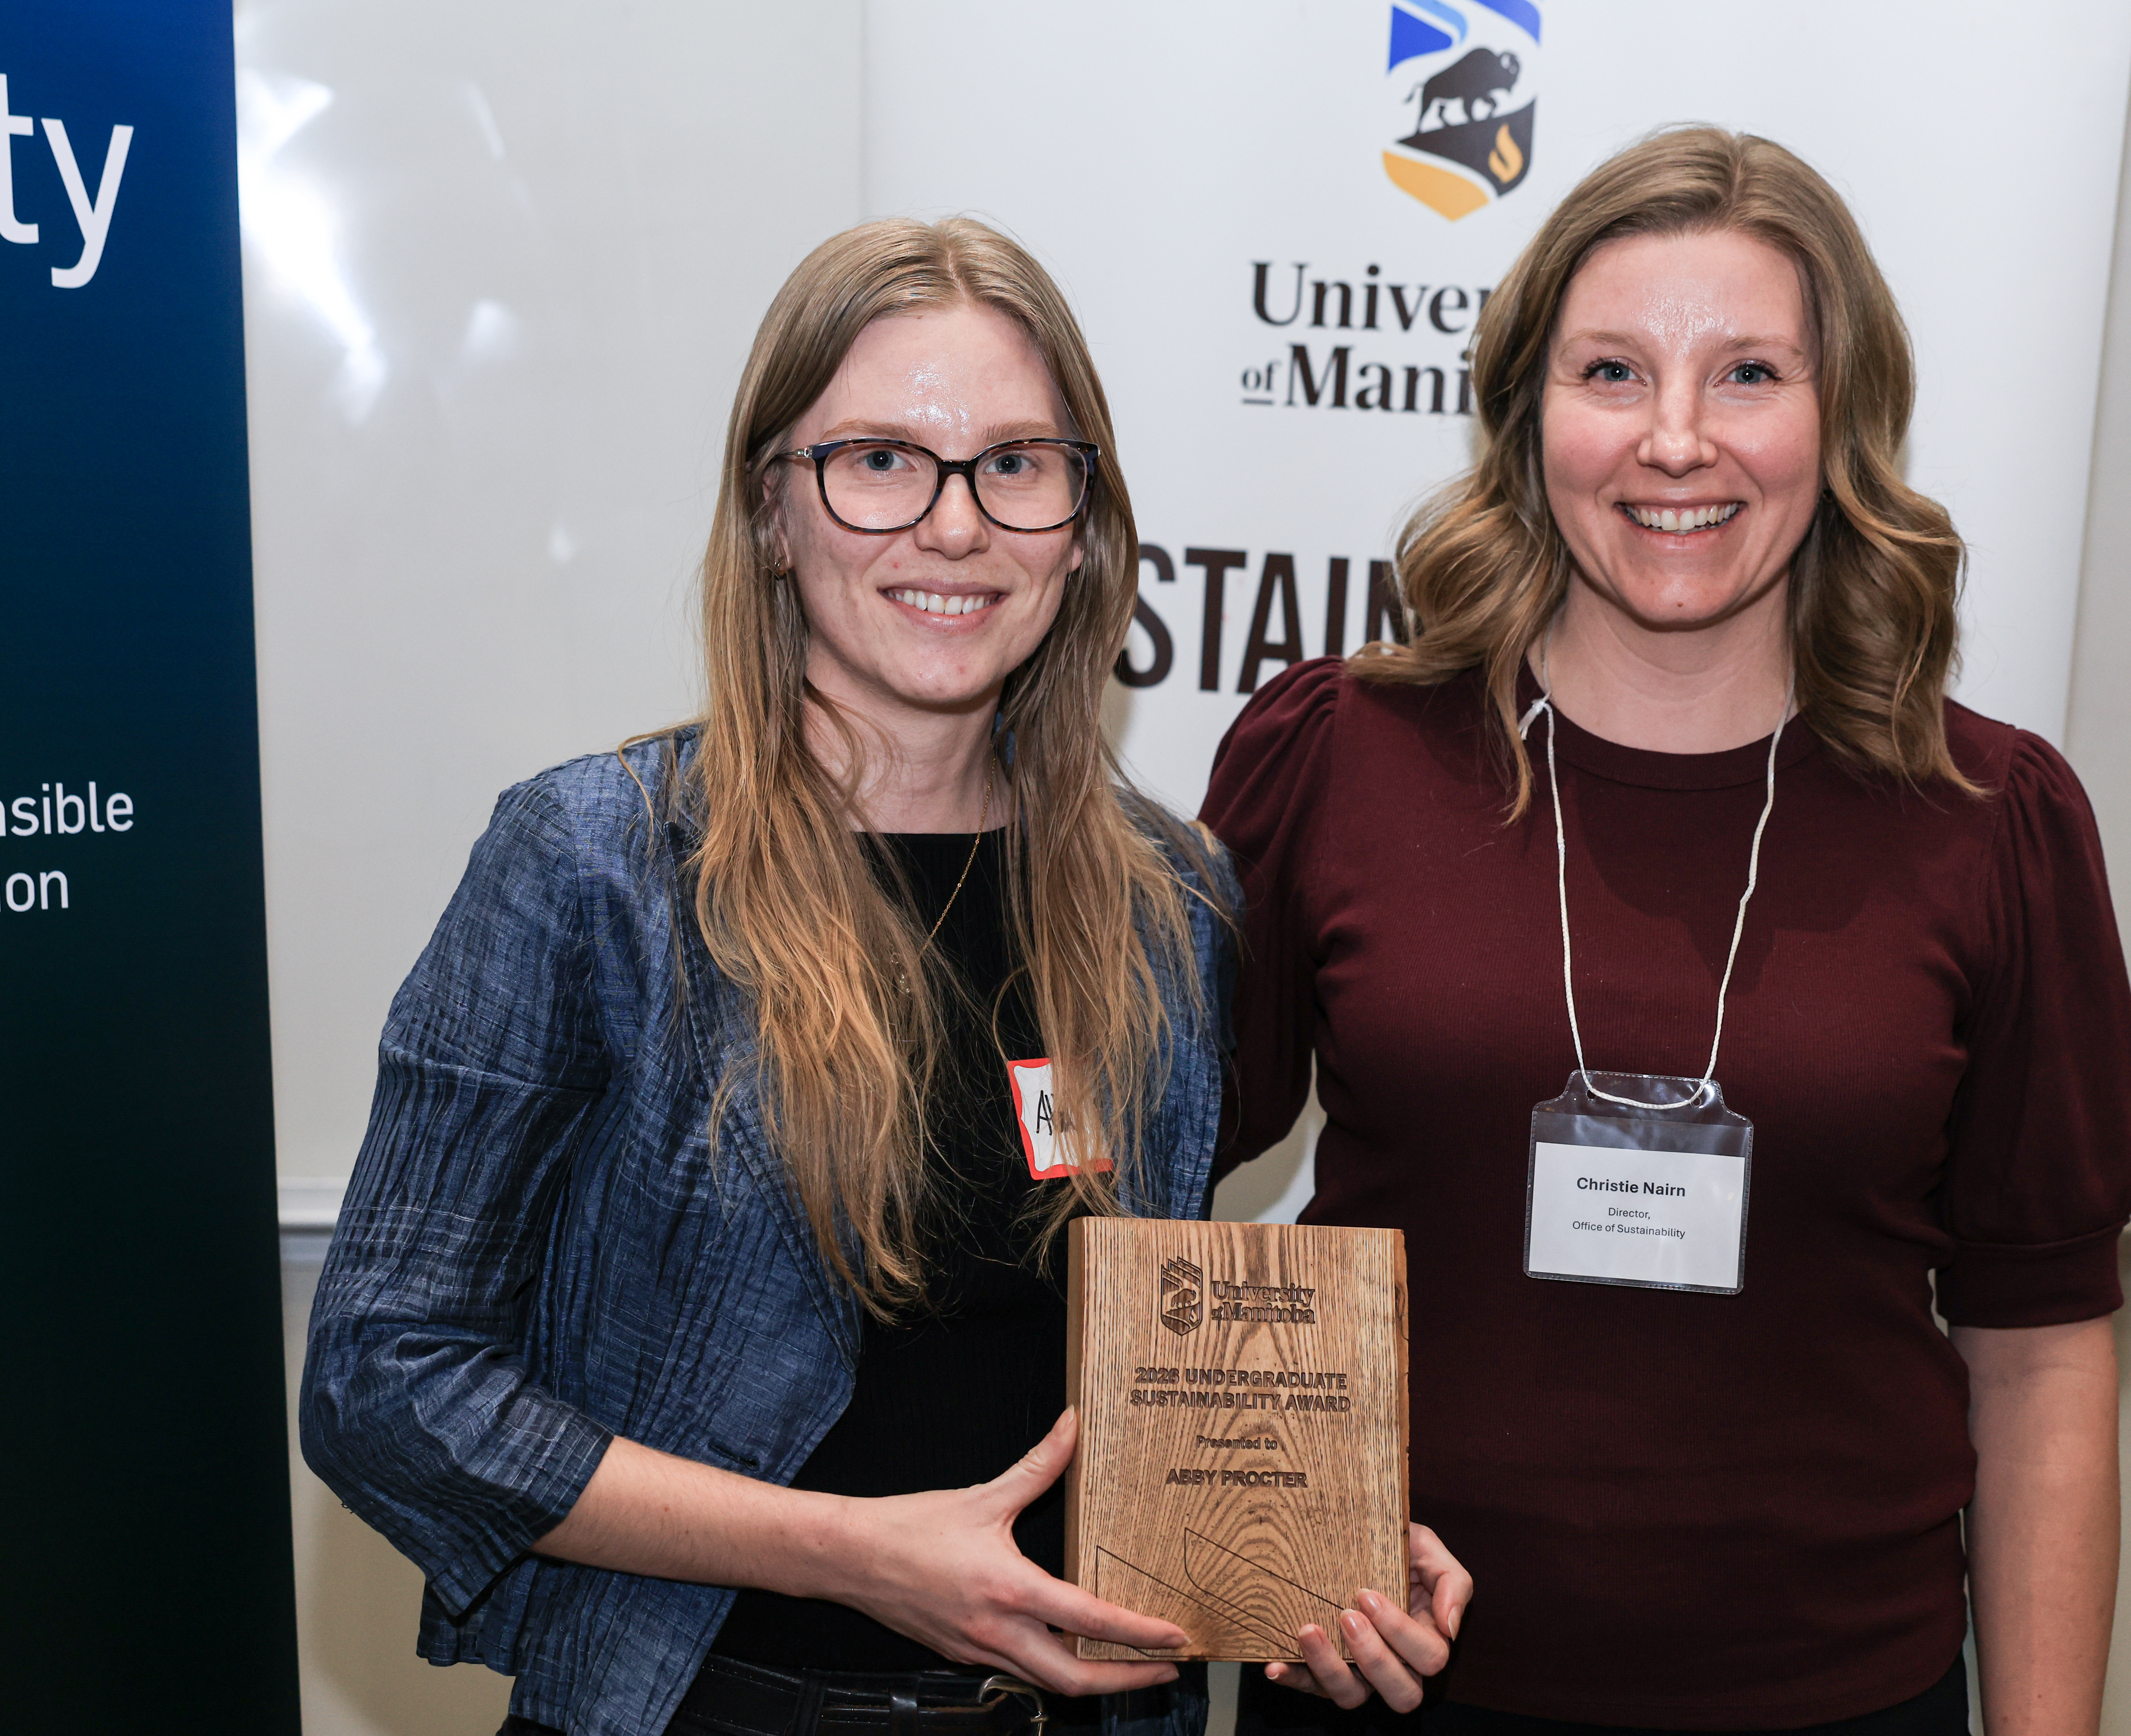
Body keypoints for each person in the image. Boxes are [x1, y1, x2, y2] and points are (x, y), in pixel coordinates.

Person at [301, 219, 1467, 1736]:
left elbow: (1145, 1394)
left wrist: (1305, 1546)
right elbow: (384, 1381)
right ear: (774, 510)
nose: (956, 524)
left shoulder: (1168, 898)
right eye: (880, 461)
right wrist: (853, 1557)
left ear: (1085, 525)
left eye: (1015, 465)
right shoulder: (597, 864)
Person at [1204, 129, 2131, 1736]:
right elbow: (1150, 1203)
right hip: (1387, 1688)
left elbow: (2043, 1353)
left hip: (1843, 1698)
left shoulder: (1992, 820)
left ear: (1840, 421)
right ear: (1527, 414)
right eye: (1614, 371)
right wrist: (1267, 1546)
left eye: (1752, 373)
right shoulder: (1334, 760)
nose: (1678, 440)